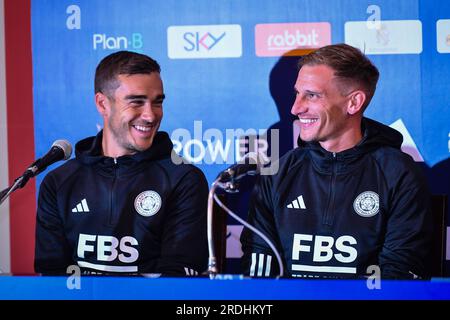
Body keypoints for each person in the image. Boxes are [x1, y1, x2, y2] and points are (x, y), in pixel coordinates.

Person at [240, 43, 432, 279]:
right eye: (297, 94)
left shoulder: (398, 174)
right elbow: (259, 271)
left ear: (353, 102)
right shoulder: (278, 172)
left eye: (312, 95)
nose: (295, 108)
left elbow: (399, 275)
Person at [35, 51, 208, 276]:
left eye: (157, 102)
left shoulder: (183, 179)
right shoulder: (59, 182)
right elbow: (51, 279)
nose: (150, 115)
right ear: (102, 104)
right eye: (136, 102)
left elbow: (178, 280)